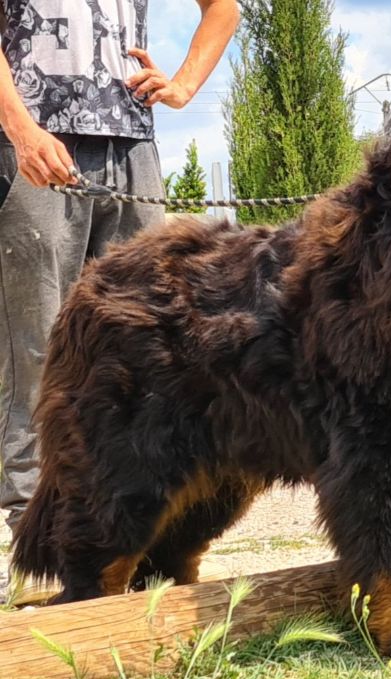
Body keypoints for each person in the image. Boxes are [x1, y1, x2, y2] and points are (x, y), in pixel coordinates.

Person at [0, 0, 240, 595]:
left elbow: (225, 7)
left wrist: (183, 83)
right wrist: (22, 130)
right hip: (35, 144)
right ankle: (35, 554)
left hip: (133, 146)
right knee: (38, 351)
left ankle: (139, 542)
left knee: (150, 357)